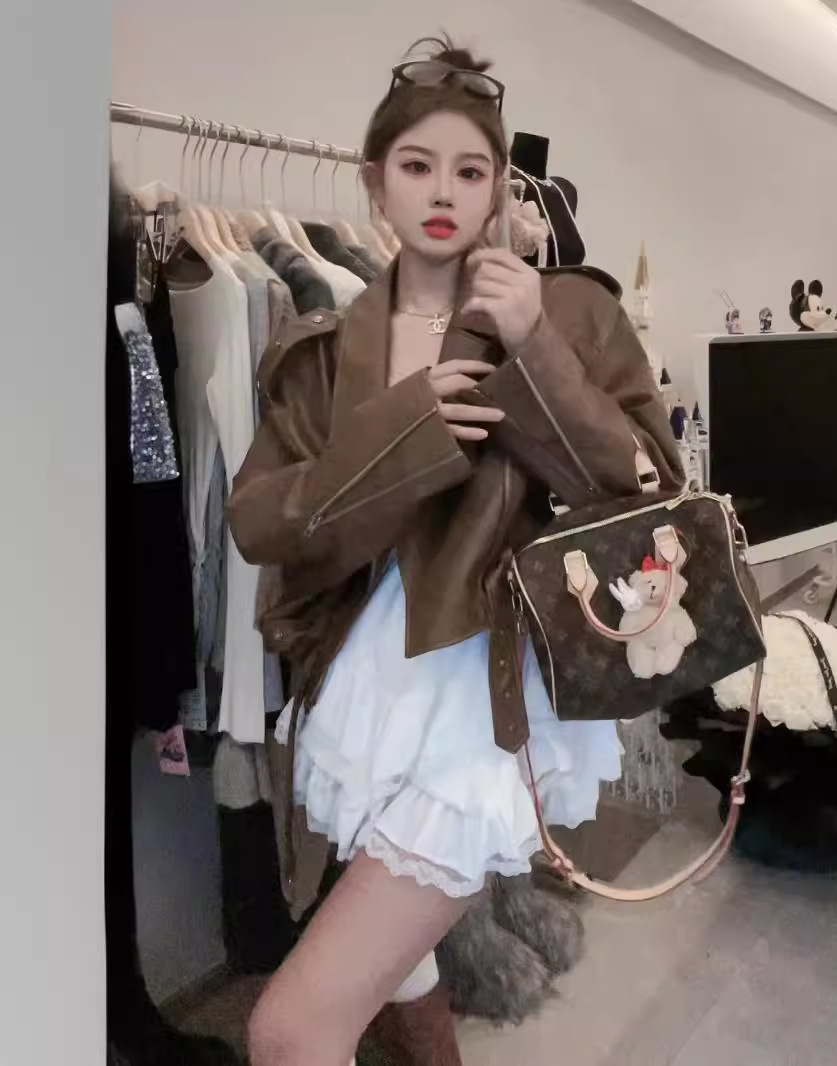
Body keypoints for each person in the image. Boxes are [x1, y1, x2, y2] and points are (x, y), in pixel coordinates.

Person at [228, 35, 683, 1066]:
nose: (443, 192)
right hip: (362, 686)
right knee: (405, 964)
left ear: (500, 188)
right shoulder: (323, 350)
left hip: (485, 698)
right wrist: (398, 435)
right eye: (417, 165)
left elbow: (648, 487)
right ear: (374, 183)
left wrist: (535, 348)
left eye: (470, 171)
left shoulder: (573, 310)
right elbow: (260, 523)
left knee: (289, 1030)